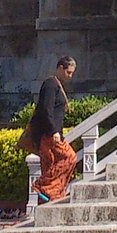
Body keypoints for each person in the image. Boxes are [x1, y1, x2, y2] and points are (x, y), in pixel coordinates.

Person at [30, 56, 77, 203]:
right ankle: (43, 185)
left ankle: (52, 195)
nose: (70, 76)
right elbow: (45, 109)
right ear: (60, 68)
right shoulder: (50, 84)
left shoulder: (57, 85)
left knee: (50, 164)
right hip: (49, 134)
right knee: (70, 157)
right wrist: (53, 130)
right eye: (68, 72)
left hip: (51, 134)